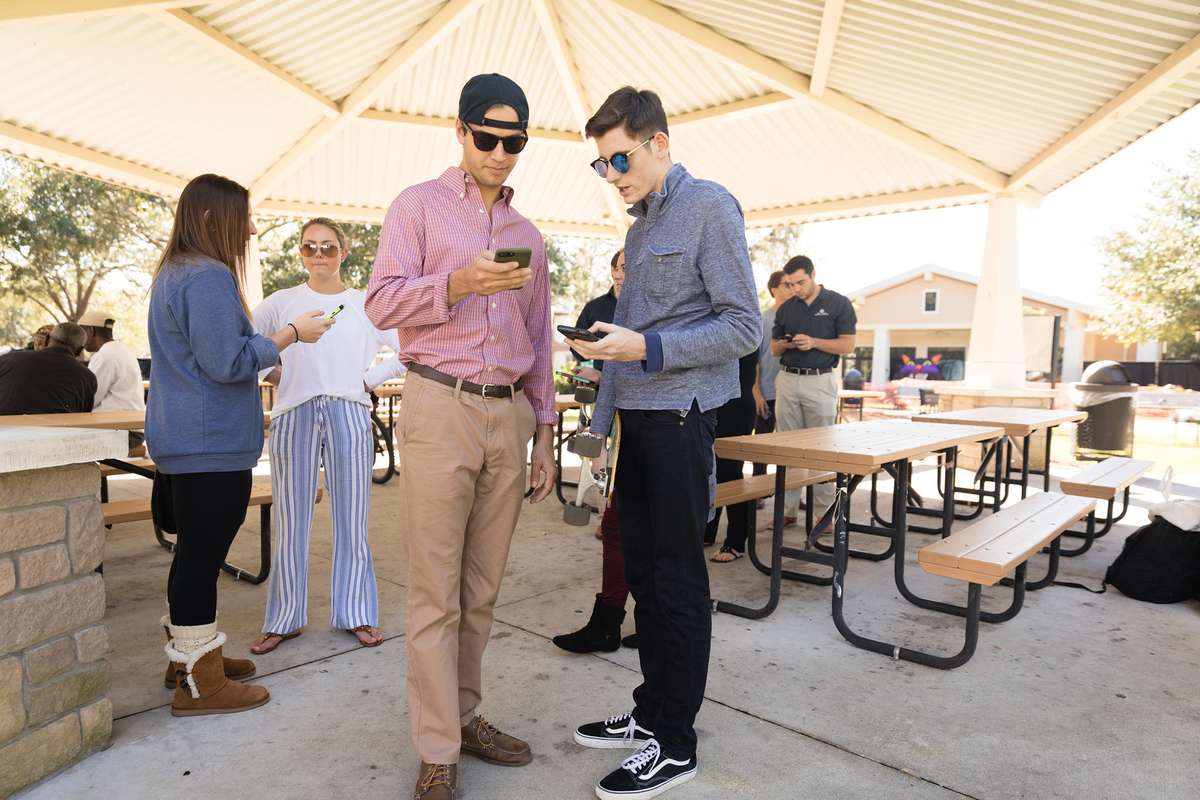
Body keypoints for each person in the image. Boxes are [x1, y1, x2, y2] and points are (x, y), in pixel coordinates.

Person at [364, 73, 556, 800]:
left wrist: (544, 433)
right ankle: (437, 747)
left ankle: (465, 717)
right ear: (461, 131)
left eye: (515, 142)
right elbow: (381, 303)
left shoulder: (528, 236)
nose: (500, 153)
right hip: (439, 404)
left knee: (480, 591)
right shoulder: (416, 207)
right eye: (488, 137)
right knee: (435, 593)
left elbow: (539, 340)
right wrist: (457, 284)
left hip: (509, 414)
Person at [569, 87, 760, 800]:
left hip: (682, 419)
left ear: (660, 144)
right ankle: (652, 711)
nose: (611, 174)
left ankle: (675, 744)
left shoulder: (710, 206)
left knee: (677, 581)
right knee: (644, 577)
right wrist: (598, 428)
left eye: (619, 158)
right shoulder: (641, 227)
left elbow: (743, 327)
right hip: (636, 424)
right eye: (601, 164)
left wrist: (647, 346)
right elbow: (625, 343)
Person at [146, 173, 332, 717]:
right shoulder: (206, 275)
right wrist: (291, 335)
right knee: (202, 556)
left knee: (193, 553)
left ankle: (190, 657)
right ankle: (199, 686)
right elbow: (227, 362)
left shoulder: (176, 271)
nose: (251, 229)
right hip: (209, 441)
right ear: (212, 218)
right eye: (245, 217)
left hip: (185, 437)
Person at [249, 217, 404, 655]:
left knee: (353, 519)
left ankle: (356, 612)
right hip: (293, 413)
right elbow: (248, 346)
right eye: (309, 246)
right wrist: (276, 374)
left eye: (328, 247)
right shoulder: (281, 302)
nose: (318, 254)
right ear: (300, 251)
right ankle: (283, 619)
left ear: (344, 252)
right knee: (290, 520)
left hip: (349, 411)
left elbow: (409, 348)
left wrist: (368, 381)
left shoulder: (364, 303)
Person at [552, 249, 639, 654]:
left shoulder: (657, 308)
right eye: (619, 267)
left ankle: (649, 622)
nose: (623, 274)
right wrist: (600, 430)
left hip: (657, 425)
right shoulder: (602, 307)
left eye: (630, 267)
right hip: (613, 415)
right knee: (616, 525)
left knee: (648, 529)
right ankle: (609, 622)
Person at [771, 255, 857, 518]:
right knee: (787, 447)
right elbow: (774, 349)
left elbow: (848, 345)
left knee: (822, 447)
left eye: (800, 282)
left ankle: (823, 514)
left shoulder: (838, 303)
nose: (796, 289)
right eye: (790, 284)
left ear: (813, 274)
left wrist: (814, 342)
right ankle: (787, 512)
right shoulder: (786, 308)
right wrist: (785, 344)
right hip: (788, 378)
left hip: (820, 380)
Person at [706, 349, 761, 561]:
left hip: (735, 405)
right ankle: (707, 530)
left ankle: (736, 541)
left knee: (730, 472)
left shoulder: (742, 328)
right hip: (713, 403)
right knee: (709, 471)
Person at [79, 309, 146, 449]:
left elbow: (90, 398)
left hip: (119, 432)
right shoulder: (123, 350)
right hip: (130, 430)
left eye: (82, 332)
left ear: (91, 331)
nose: (80, 340)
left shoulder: (105, 355)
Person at [0, 323, 96, 414]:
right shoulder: (87, 378)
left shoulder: (8, 360)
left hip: (7, 425)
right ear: (79, 350)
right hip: (59, 426)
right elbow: (82, 416)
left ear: (47, 339)